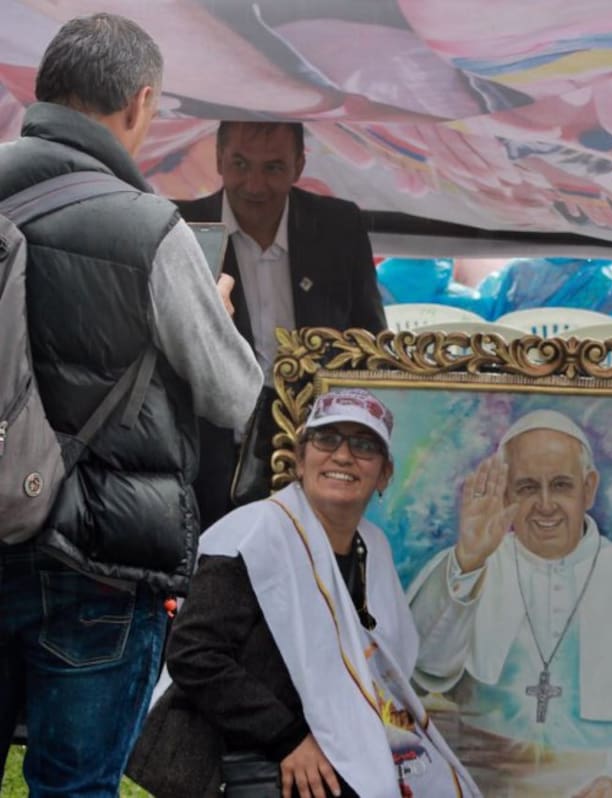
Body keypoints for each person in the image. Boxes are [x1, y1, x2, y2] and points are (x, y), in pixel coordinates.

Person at [0, 14, 261, 795]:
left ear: (43, 91)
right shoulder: (151, 230)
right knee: (73, 788)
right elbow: (236, 395)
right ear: (140, 103)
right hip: (100, 567)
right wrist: (210, 309)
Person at [127, 388, 480, 798]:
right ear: (300, 458)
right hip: (250, 758)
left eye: (364, 445)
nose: (343, 456)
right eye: (327, 439)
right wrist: (287, 738)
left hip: (337, 748)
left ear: (384, 474)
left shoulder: (372, 548)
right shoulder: (255, 534)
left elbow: (380, 669)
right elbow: (194, 654)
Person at [408, 410, 612, 798]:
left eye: (561, 485)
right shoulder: (467, 566)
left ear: (589, 488)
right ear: (506, 491)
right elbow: (420, 670)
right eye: (527, 487)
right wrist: (468, 561)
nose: (545, 505)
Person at [175, 120, 386, 528]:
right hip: (209, 470)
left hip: (319, 461)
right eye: (240, 164)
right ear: (218, 159)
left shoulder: (340, 229)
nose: (254, 185)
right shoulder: (182, 230)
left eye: (272, 168)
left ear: (299, 165)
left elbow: (370, 346)